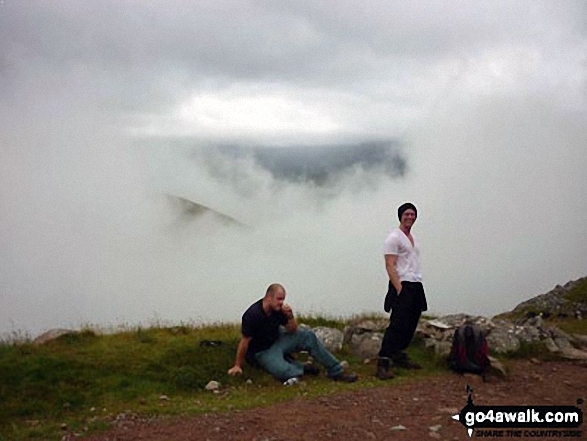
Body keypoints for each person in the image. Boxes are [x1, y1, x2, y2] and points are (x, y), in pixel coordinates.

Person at [228, 283, 357, 383]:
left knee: (307, 335)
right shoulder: (252, 314)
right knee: (284, 372)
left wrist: (290, 316)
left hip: (278, 340)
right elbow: (245, 341)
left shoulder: (278, 310)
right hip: (262, 351)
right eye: (279, 299)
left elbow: (292, 330)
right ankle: (302, 368)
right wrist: (237, 365)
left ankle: (335, 371)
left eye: (283, 299)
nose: (281, 302)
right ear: (268, 297)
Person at [376, 202, 428, 380]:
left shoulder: (412, 238)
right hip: (402, 283)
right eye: (406, 214)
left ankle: (399, 354)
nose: (410, 217)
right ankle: (383, 361)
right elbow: (390, 264)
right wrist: (399, 288)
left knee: (412, 321)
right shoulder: (393, 238)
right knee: (397, 323)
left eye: (413, 214)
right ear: (400, 216)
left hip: (415, 282)